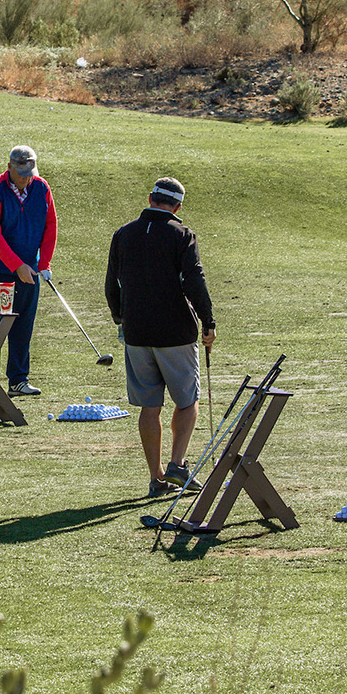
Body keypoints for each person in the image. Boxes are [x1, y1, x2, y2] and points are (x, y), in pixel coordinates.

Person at [105, 177, 216, 498]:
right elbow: (194, 281)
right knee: (187, 401)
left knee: (149, 407)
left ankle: (156, 478)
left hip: (136, 333)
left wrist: (121, 320)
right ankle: (178, 465)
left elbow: (112, 285)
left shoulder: (123, 234)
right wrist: (208, 322)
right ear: (178, 206)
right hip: (176, 332)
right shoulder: (182, 234)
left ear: (151, 198)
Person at [0, 144, 56, 396]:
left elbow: (50, 225)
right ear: (9, 167)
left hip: (29, 270)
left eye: (29, 171)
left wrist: (43, 264)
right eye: (20, 172)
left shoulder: (41, 187)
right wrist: (16, 266)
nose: (25, 178)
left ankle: (18, 380)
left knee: (23, 324)